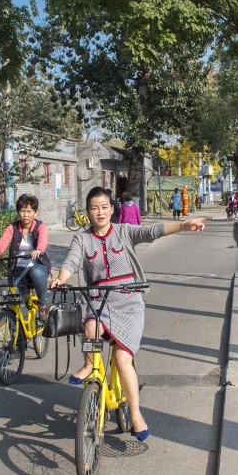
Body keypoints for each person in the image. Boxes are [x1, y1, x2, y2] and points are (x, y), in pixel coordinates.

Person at [50, 187, 207, 441]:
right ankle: (89, 364)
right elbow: (72, 261)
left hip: (128, 300)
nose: (100, 212)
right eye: (94, 208)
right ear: (88, 212)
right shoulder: (82, 239)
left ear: (112, 209)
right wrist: (61, 278)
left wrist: (184, 225)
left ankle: (135, 414)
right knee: (90, 329)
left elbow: (152, 231)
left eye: (104, 207)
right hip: (98, 300)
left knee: (123, 359)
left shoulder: (123, 231)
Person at [0, 194, 52, 320]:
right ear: (18, 212)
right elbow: (2, 243)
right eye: (22, 211)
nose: (25, 215)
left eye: (29, 211)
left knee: (37, 272)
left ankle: (42, 305)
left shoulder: (40, 226)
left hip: (37, 266)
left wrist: (39, 249)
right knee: (12, 303)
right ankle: (16, 337)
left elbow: (43, 240)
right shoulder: (12, 228)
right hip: (18, 268)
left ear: (35, 213)